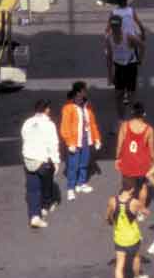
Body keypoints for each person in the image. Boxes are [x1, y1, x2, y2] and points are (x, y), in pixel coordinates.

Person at [21, 99, 63, 228]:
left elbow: (24, 137)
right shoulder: (49, 125)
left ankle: (35, 216)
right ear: (47, 110)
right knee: (47, 184)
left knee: (33, 190)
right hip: (42, 160)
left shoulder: (27, 122)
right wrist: (56, 161)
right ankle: (45, 205)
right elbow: (53, 144)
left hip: (28, 159)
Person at [107, 182, 148, 278]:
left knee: (119, 264)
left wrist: (111, 220)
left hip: (119, 236)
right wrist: (140, 213)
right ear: (131, 190)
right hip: (133, 237)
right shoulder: (134, 202)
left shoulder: (112, 200)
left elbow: (108, 215)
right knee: (136, 257)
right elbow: (145, 212)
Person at [60, 82, 103, 197]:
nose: (86, 92)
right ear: (78, 92)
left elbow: (92, 124)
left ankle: (81, 183)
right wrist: (69, 143)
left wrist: (97, 138)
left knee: (84, 163)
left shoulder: (87, 106)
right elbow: (65, 127)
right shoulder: (68, 108)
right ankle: (71, 187)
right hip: (74, 141)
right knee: (73, 165)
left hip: (86, 140)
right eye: (84, 90)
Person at [104, 14, 147, 119]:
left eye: (116, 26)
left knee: (132, 96)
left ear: (120, 26)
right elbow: (109, 57)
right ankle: (121, 120)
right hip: (119, 68)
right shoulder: (109, 39)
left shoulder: (127, 36)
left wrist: (140, 60)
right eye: (113, 26)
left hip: (130, 66)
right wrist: (110, 76)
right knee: (118, 95)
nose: (115, 29)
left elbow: (142, 46)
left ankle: (135, 120)